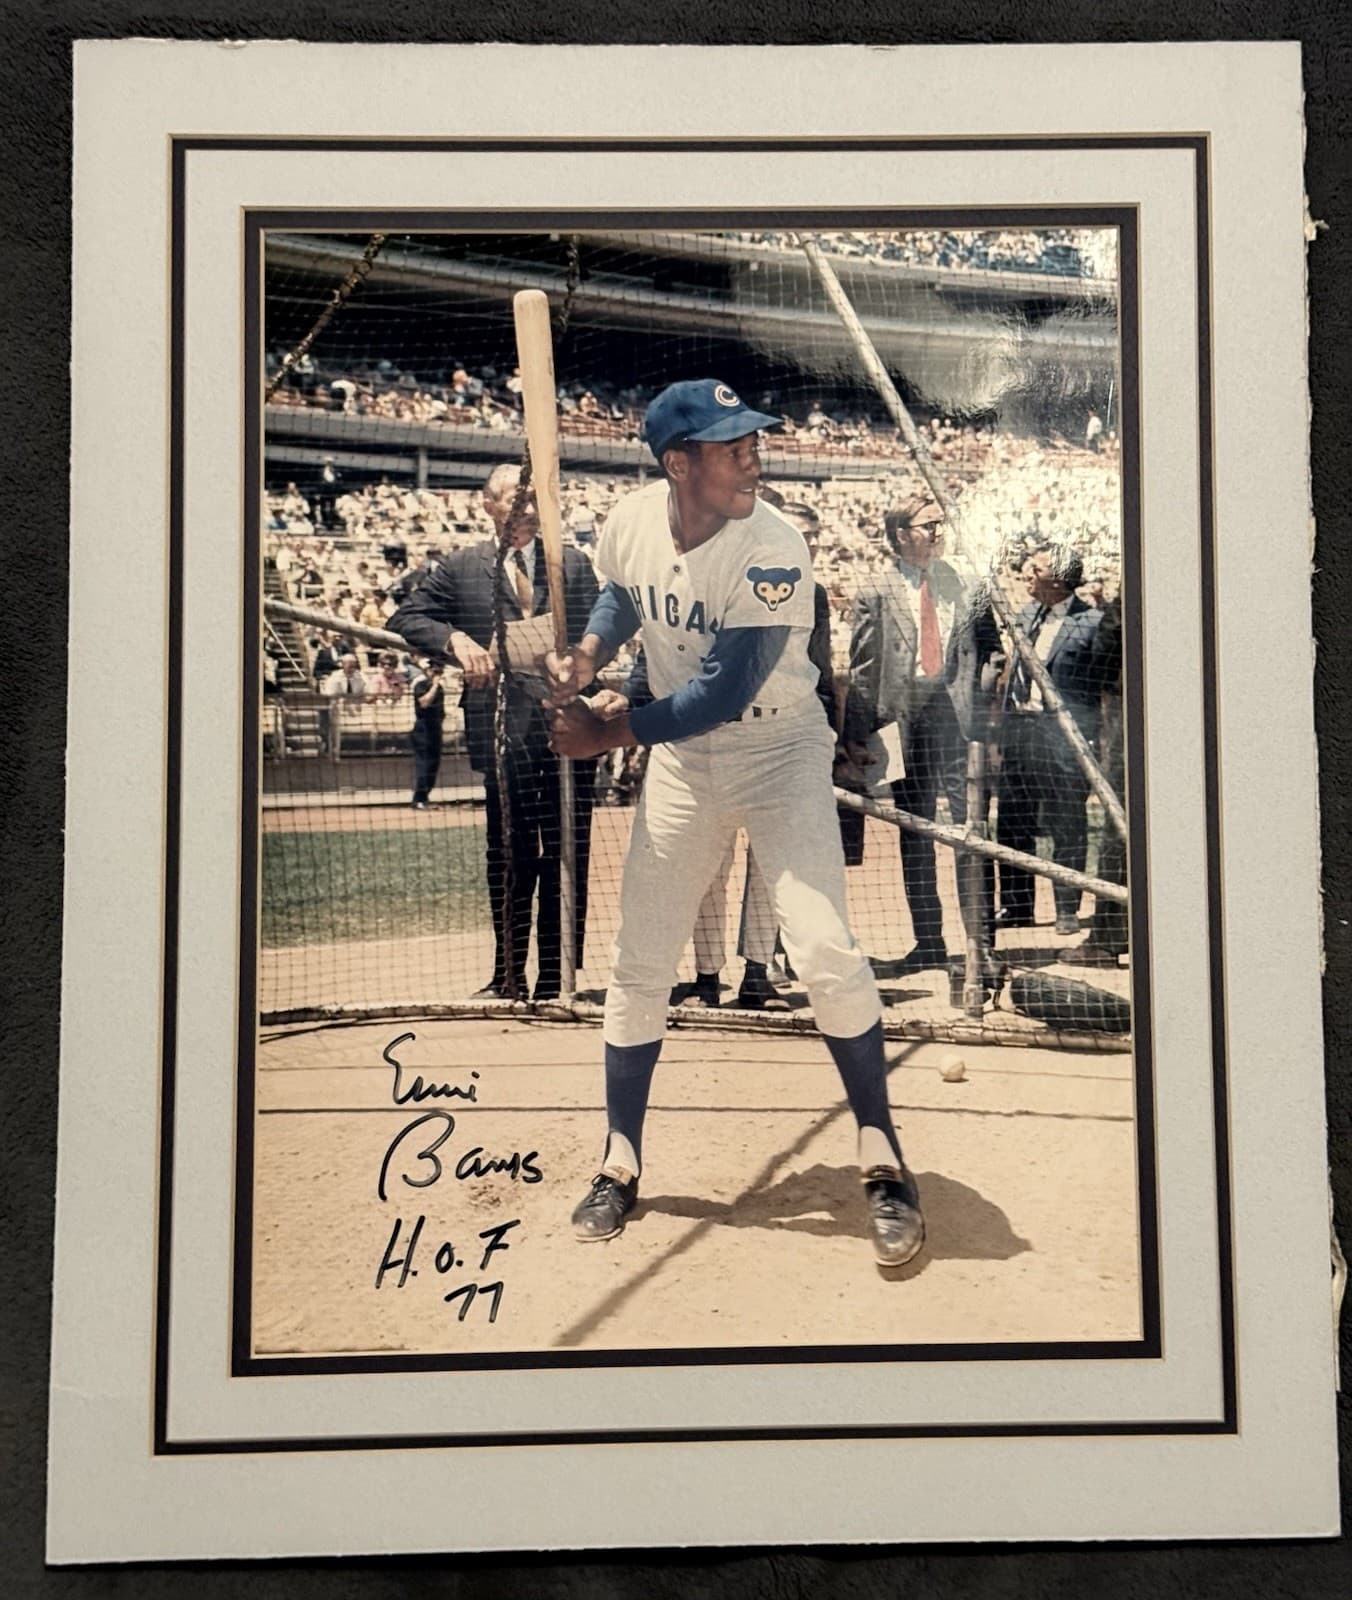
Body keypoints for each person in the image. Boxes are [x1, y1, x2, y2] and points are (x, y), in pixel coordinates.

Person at [544, 377, 924, 1269]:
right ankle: (619, 1158)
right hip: (685, 763)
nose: (754, 459)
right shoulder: (632, 520)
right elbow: (623, 593)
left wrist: (607, 732)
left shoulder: (775, 543)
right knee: (641, 958)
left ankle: (881, 1155)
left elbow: (723, 691)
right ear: (678, 464)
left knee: (824, 949)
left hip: (780, 747)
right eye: (732, 447)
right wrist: (590, 653)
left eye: (754, 442)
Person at [390, 463, 600, 1002]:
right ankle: (507, 975)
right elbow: (406, 617)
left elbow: (602, 633)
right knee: (508, 854)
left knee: (567, 853)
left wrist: (579, 662)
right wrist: (455, 640)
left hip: (569, 727)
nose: (526, 510)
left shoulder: (572, 564)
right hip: (501, 731)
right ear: (488, 505)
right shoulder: (461, 566)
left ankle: (557, 978)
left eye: (534, 500)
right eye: (514, 499)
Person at [843, 496, 998, 974]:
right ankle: (928, 942)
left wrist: (981, 704)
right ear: (900, 535)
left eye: (941, 523)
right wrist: (855, 735)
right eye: (928, 524)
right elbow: (863, 670)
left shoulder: (967, 584)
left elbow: (992, 652)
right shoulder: (875, 590)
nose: (938, 531)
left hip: (957, 722)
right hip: (899, 722)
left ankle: (981, 945)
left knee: (973, 828)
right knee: (914, 833)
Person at [994, 542, 1113, 936]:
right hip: (1020, 732)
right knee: (1013, 821)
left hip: (1065, 739)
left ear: (1059, 579)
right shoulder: (1025, 614)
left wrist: (1094, 739)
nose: (1027, 574)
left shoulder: (1092, 623)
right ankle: (1016, 905)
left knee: (1066, 823)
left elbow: (1102, 688)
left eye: (1037, 569)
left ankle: (1066, 908)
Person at [408, 661, 446, 810]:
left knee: (433, 766)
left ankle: (425, 797)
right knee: (424, 765)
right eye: (434, 671)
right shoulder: (421, 685)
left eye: (439, 672)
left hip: (435, 728)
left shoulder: (440, 688)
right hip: (423, 729)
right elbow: (424, 703)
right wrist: (434, 685)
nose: (437, 675)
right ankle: (418, 798)